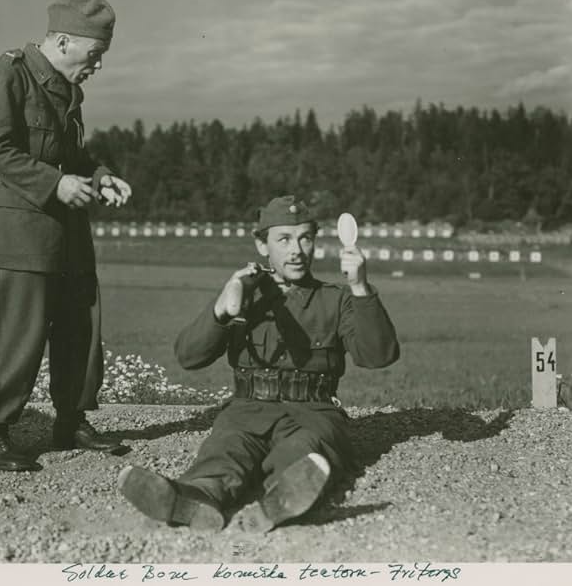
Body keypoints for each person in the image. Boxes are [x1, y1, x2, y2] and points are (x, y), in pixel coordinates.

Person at [118, 196, 399, 530]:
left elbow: (378, 355)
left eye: (305, 238)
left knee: (305, 451)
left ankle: (282, 501)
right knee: (225, 448)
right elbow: (189, 357)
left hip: (313, 412)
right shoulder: (244, 292)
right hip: (247, 410)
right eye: (283, 240)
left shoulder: (336, 298)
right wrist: (221, 311)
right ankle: (193, 498)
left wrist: (360, 286)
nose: (296, 250)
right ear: (262, 245)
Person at [0, 0, 132, 471]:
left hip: (67, 232)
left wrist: (100, 177)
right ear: (63, 41)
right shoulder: (7, 75)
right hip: (19, 230)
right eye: (94, 55)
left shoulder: (66, 90)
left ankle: (71, 420)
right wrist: (55, 183)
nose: (97, 66)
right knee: (19, 334)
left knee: (81, 323)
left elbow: (71, 156)